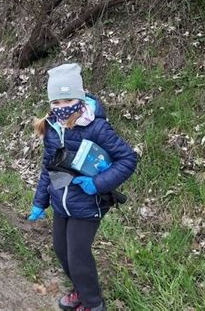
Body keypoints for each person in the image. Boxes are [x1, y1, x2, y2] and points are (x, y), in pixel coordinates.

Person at [28, 63, 137, 311]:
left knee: (78, 257)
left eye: (67, 100)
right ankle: (80, 290)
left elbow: (128, 159)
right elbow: (48, 167)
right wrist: (39, 201)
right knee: (61, 251)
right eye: (56, 102)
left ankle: (93, 304)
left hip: (88, 203)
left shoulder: (97, 127)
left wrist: (97, 183)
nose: (61, 107)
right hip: (60, 203)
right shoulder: (52, 128)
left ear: (79, 97)